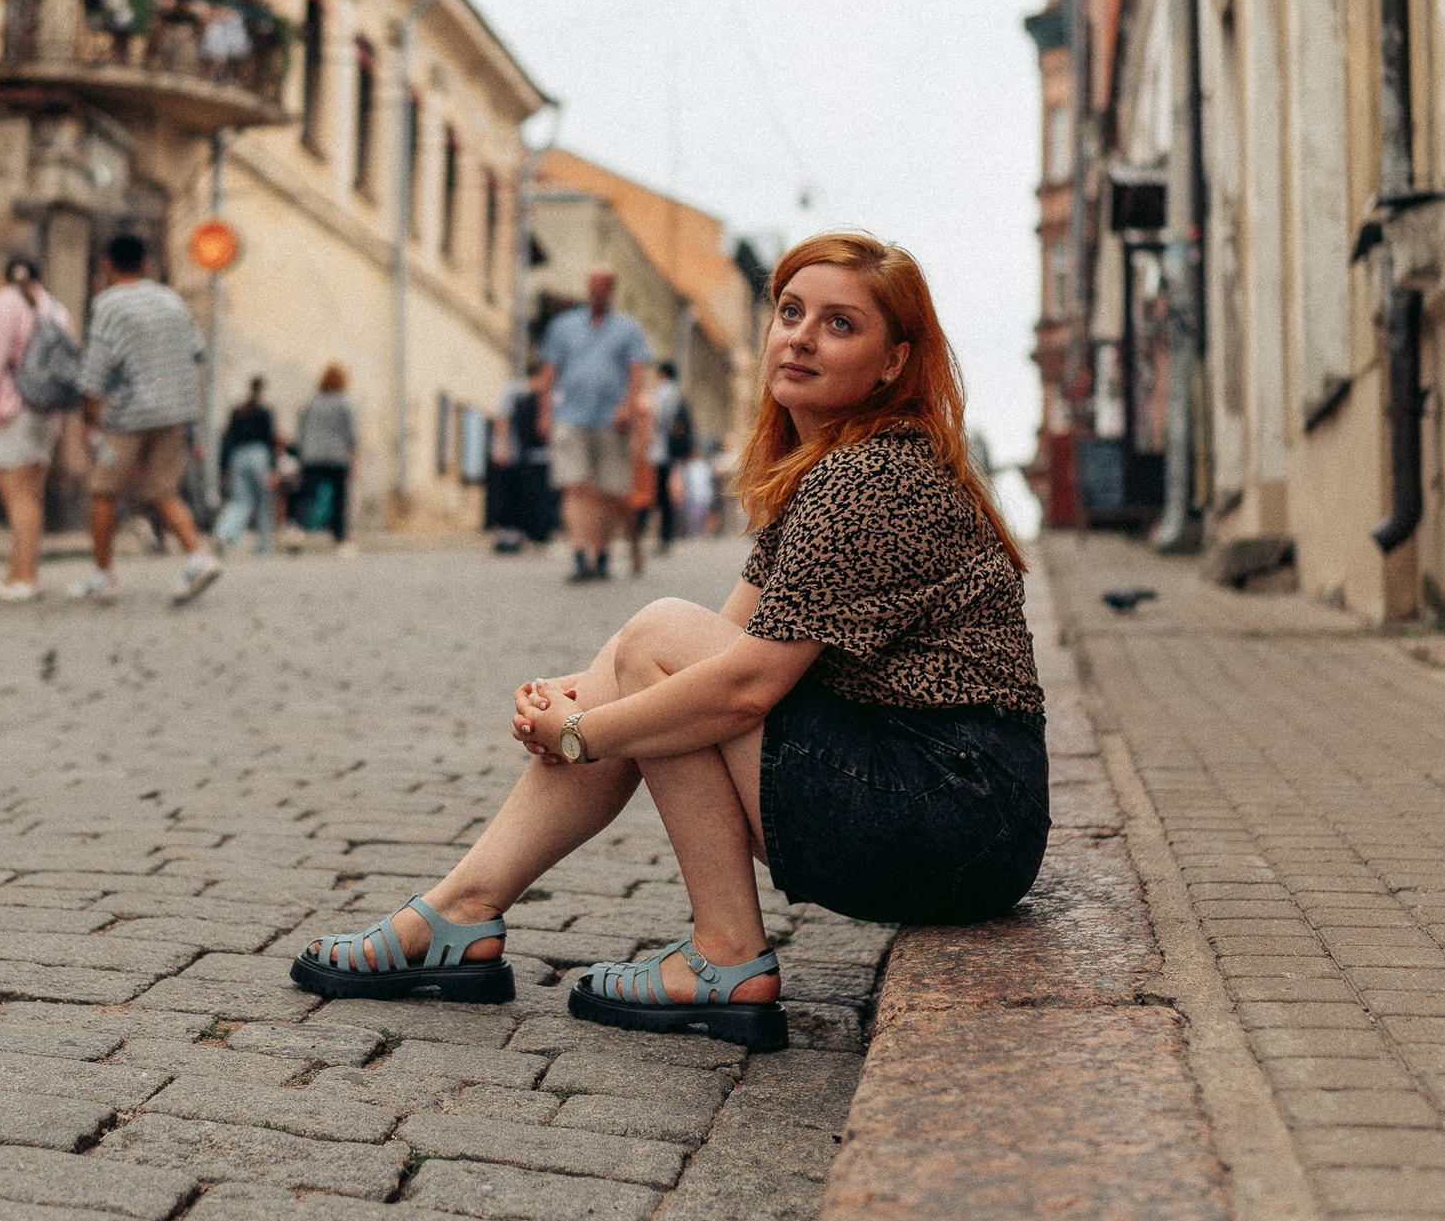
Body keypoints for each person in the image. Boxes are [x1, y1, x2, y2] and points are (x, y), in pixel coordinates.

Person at [291, 232, 1046, 1052]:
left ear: (894, 362)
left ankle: (721, 955)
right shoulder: (827, 467)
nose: (798, 335)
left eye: (838, 325)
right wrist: (580, 690)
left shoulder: (866, 479)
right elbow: (716, 641)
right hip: (956, 812)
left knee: (655, 644)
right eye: (790, 312)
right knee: (646, 650)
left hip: (954, 816)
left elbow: (740, 687)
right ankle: (463, 913)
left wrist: (580, 732)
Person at [70, 233, 220, 605]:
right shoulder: (172, 300)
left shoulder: (109, 305)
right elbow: (196, 351)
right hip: (175, 412)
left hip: (128, 414)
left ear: (107, 264)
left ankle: (103, 575)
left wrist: (90, 416)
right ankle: (198, 556)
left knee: (103, 491)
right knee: (164, 491)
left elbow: (96, 369)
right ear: (146, 263)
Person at [0, 254, 73, 603]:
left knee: (17, 497)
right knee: (31, 496)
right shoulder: (56, 309)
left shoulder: (6, 302)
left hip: (10, 410)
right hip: (46, 413)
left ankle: (23, 577)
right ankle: (20, 573)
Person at [535, 266, 652, 583]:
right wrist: (544, 412)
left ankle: (602, 553)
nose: (598, 290)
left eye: (604, 285)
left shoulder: (628, 330)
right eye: (593, 284)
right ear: (587, 288)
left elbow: (636, 373)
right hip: (570, 416)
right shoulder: (564, 327)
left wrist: (627, 407)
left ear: (612, 289)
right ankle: (581, 555)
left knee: (609, 492)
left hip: (611, 420)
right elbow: (549, 372)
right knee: (575, 485)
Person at [486, 358, 557, 554]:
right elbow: (502, 420)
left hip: (528, 455)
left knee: (526, 493)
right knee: (507, 492)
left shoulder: (543, 395)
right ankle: (506, 534)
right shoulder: (515, 390)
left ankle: (523, 534)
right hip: (511, 449)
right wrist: (502, 447)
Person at [295, 364, 358, 556]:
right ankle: (340, 541)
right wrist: (354, 461)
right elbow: (352, 436)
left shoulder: (312, 402)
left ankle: (296, 531)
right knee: (339, 500)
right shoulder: (344, 403)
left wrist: (302, 453)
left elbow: (302, 430)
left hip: (311, 456)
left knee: (307, 495)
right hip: (336, 456)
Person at [213, 376, 279, 554]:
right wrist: (273, 468)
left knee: (240, 499)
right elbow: (269, 440)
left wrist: (223, 465)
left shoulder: (238, 411)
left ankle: (223, 531)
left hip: (238, 457)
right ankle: (264, 545)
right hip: (259, 456)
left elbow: (228, 439)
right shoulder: (265, 412)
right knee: (265, 501)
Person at [650, 360, 694, 553]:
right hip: (673, 452)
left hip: (659, 451)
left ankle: (654, 535)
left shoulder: (664, 392)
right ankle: (665, 536)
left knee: (659, 494)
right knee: (667, 495)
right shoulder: (679, 394)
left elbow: (656, 418)